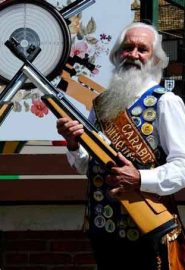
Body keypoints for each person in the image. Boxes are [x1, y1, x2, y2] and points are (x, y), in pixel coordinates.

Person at [57, 22, 185, 270]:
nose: (134, 54)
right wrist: (73, 145)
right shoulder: (102, 104)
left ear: (156, 59)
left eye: (142, 49)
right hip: (104, 229)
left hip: (148, 229)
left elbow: (182, 167)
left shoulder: (166, 102)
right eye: (128, 48)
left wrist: (139, 178)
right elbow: (88, 166)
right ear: (117, 55)